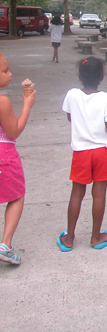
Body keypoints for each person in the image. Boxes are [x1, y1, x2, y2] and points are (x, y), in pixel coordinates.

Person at [58, 57, 107, 251]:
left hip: (81, 152)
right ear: (102, 77)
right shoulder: (106, 99)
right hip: (102, 151)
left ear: (80, 76)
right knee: (99, 194)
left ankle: (69, 238)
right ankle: (95, 237)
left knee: (76, 194)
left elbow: (70, 117)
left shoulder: (72, 95)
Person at [0, 53, 36, 265]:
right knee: (16, 195)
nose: (10, 73)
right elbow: (13, 131)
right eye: (5, 71)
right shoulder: (2, 102)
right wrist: (27, 104)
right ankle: (5, 244)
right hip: (5, 156)